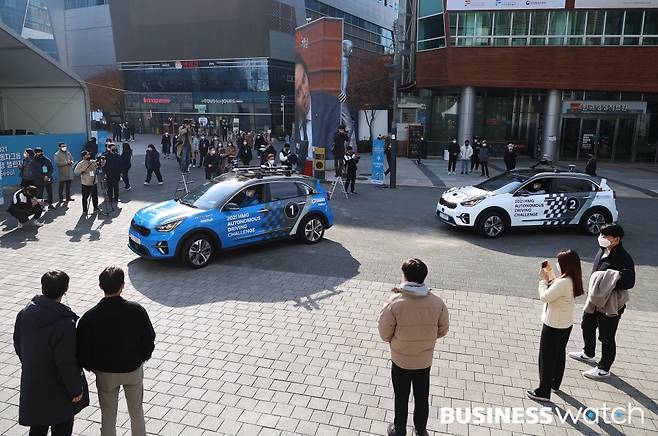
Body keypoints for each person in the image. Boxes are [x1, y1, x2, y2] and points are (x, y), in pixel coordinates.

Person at [77, 267, 155, 436]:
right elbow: (149, 339)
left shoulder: (89, 317)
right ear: (123, 286)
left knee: (108, 416)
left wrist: (94, 368)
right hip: (133, 370)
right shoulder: (137, 310)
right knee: (136, 413)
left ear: (100, 286)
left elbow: (82, 350)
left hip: (105, 374)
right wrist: (142, 358)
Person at [378, 259, 449, 436]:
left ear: (405, 277)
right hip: (424, 360)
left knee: (401, 397)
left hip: (400, 360)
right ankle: (420, 430)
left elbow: (384, 332)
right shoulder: (437, 302)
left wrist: (394, 342)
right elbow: (443, 330)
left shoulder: (394, 302)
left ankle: (399, 430)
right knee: (422, 397)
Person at [13, 271, 89, 436]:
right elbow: (66, 362)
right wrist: (76, 390)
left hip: (34, 383)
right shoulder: (64, 324)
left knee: (38, 427)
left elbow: (18, 344)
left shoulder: (25, 313)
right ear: (65, 289)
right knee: (62, 427)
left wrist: (32, 363)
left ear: (43, 287)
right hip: (59, 391)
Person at [569, 224, 635, 380]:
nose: (602, 238)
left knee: (606, 336)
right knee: (587, 325)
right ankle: (588, 352)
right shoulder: (602, 249)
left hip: (610, 304)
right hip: (594, 301)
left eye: (606, 237)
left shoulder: (624, 258)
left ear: (616, 239)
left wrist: (608, 281)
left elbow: (629, 282)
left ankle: (604, 368)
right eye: (601, 235)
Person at [526, 250, 584, 402]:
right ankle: (554, 383)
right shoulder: (572, 279)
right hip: (565, 324)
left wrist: (543, 280)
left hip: (553, 325)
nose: (557, 264)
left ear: (565, 265)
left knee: (546, 357)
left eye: (559, 262)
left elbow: (545, 296)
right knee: (558, 354)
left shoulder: (563, 282)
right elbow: (556, 288)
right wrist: (550, 272)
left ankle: (543, 391)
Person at [294, 53, 340, 165]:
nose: (304, 93)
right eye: (297, 92)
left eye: (304, 80)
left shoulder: (330, 106)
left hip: (321, 171)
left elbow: (331, 153)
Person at [74, 151, 99, 215]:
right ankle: (85, 210)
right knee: (85, 197)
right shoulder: (80, 163)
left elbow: (100, 165)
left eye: (89, 154)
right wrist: (82, 170)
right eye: (87, 155)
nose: (89, 156)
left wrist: (102, 160)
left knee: (95, 197)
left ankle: (96, 208)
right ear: (83, 156)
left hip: (94, 182)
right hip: (86, 183)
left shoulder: (93, 162)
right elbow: (76, 172)